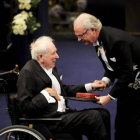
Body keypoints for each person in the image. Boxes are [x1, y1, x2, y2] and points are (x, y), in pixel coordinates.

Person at [17, 36, 110, 140]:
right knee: (94, 116)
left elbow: (63, 90)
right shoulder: (27, 72)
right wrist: (46, 93)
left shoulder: (50, 66)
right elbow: (25, 106)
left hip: (62, 115)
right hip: (48, 120)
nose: (57, 56)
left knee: (103, 114)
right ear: (40, 57)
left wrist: (90, 86)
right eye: (53, 53)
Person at [73, 13, 140, 140]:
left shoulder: (116, 40)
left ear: (92, 30)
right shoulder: (97, 41)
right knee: (121, 124)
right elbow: (112, 68)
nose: (79, 39)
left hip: (136, 80)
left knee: (133, 125)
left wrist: (109, 97)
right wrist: (105, 82)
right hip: (127, 81)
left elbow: (127, 73)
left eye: (81, 35)